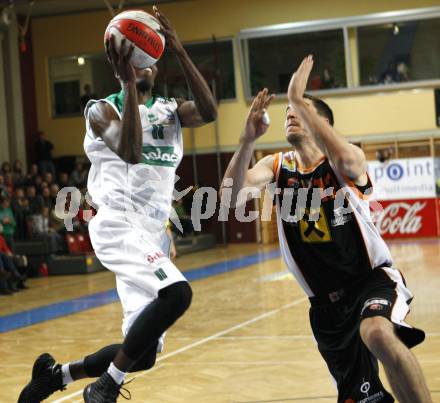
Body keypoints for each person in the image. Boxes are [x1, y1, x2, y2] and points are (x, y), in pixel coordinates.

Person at [19, 6, 217, 403]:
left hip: (150, 235)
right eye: (133, 63)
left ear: (155, 66)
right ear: (119, 68)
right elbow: (129, 150)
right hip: (116, 225)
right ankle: (105, 386)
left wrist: (178, 49)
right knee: (178, 294)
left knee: (143, 356)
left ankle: (57, 375)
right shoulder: (100, 109)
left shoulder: (169, 111)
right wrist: (128, 85)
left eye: (147, 63)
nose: (142, 68)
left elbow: (210, 112)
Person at [221, 55, 431, 403]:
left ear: (321, 123)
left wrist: (298, 98)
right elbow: (229, 198)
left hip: (370, 280)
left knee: (377, 332)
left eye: (299, 112)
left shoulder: (343, 162)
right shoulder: (276, 166)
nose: (290, 115)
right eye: (288, 113)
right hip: (325, 308)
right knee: (363, 398)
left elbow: (349, 160)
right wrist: (245, 140)